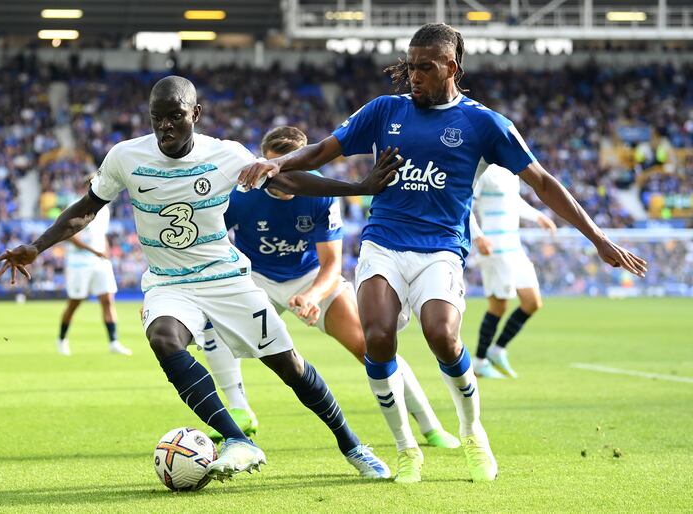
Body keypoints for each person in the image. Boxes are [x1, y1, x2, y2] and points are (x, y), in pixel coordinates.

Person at [237, 23, 647, 483]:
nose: (414, 76)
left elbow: (544, 183)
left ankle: (473, 432)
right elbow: (321, 152)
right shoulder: (383, 111)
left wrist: (597, 238)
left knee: (443, 337)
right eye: (410, 67)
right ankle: (405, 448)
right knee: (376, 336)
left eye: (425, 68)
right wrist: (278, 162)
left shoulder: (485, 124)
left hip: (441, 250)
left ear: (451, 67)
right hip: (383, 243)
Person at [0, 76, 401, 482]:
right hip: (168, 281)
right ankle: (238, 439)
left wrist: (357, 186)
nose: (165, 127)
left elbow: (287, 180)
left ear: (196, 114)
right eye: (157, 119)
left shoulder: (224, 155)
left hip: (226, 277)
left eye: (175, 117)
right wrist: (38, 246)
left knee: (288, 366)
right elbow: (87, 206)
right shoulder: (125, 156)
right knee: (163, 339)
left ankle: (352, 446)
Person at [203, 126, 459, 450]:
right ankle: (239, 409)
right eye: (272, 168)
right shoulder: (241, 192)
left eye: (289, 168)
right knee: (212, 321)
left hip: (309, 276)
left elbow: (331, 265)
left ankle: (429, 426)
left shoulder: (321, 193)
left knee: (370, 347)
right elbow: (209, 241)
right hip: (257, 276)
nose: (279, 179)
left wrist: (312, 296)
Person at [469, 164, 556, 378]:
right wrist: (477, 235)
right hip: (494, 247)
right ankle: (479, 361)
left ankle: (497, 350)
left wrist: (538, 216)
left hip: (514, 247)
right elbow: (464, 206)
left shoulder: (510, 170)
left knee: (532, 302)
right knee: (498, 306)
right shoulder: (482, 171)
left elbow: (513, 200)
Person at [57, 176, 132, 356]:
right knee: (74, 303)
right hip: (79, 264)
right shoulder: (75, 206)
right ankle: (62, 340)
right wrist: (94, 251)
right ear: (87, 186)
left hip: (100, 262)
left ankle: (114, 342)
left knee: (107, 300)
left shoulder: (104, 209)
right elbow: (69, 235)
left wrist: (105, 253)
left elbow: (102, 234)